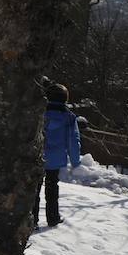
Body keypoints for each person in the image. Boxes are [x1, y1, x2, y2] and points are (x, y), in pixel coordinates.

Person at [37, 83, 82, 227]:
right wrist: (75, 161)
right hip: (55, 158)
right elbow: (73, 140)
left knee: (34, 187)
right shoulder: (69, 118)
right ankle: (53, 217)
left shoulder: (39, 113)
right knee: (52, 186)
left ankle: (32, 219)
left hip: (37, 155)